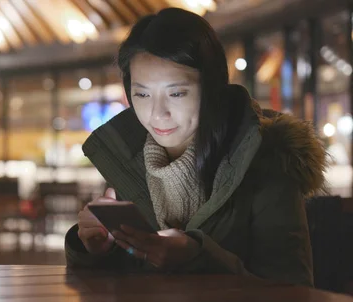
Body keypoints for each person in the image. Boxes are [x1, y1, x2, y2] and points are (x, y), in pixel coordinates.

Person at [64, 8, 326, 287]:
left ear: (211, 88)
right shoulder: (127, 159)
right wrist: (97, 250)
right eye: (142, 94)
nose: (156, 113)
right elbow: (119, 286)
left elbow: (293, 293)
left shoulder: (266, 158)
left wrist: (197, 257)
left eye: (176, 93)